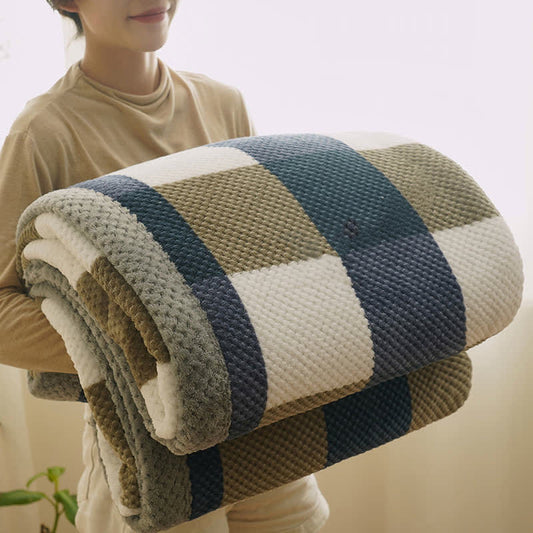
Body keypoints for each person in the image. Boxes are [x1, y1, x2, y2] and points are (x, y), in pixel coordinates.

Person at [0, 1, 331, 531]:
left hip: (268, 430)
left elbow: (262, 264)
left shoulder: (224, 105)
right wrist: (143, 354)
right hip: (150, 453)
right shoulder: (42, 134)